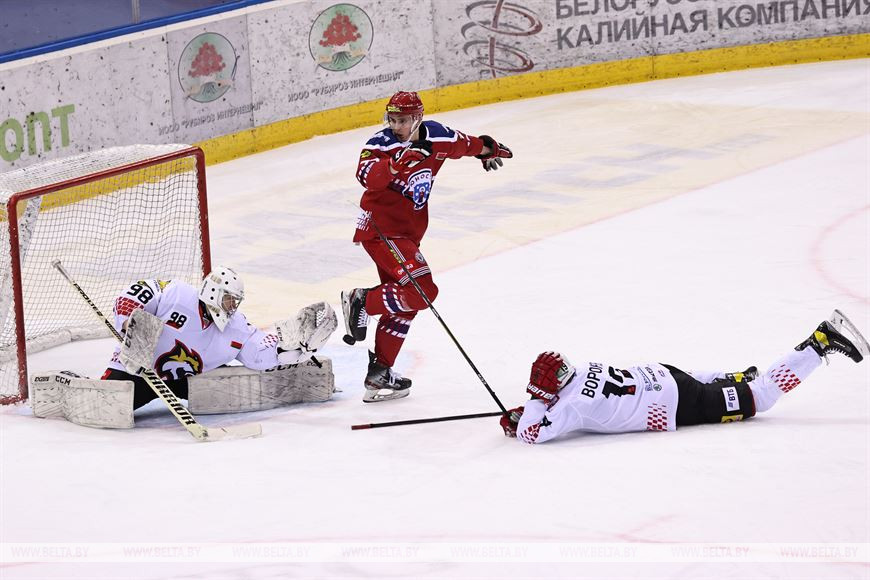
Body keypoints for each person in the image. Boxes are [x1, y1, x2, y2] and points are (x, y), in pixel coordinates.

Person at [341, 90, 514, 403]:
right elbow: (366, 176)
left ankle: (380, 371)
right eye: (392, 120)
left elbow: (465, 144)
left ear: (418, 118)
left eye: (403, 120)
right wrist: (396, 164)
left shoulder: (437, 136)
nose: (396, 126)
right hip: (381, 230)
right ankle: (363, 301)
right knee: (423, 291)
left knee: (406, 303)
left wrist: (488, 149)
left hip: (407, 235)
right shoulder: (380, 144)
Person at [500, 310, 868, 444]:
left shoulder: (571, 408)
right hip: (664, 374)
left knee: (762, 397)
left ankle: (819, 343)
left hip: (674, 403)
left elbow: (533, 434)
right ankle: (730, 378)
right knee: (704, 383)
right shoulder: (581, 370)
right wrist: (540, 401)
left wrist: (531, 406)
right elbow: (562, 398)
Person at [102, 265, 337, 409]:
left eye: (236, 301)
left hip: (185, 380)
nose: (232, 306)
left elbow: (258, 352)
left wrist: (290, 349)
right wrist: (128, 325)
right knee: (108, 403)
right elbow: (133, 295)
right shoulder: (177, 295)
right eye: (229, 299)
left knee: (228, 385)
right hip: (136, 368)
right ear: (212, 291)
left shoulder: (236, 327)